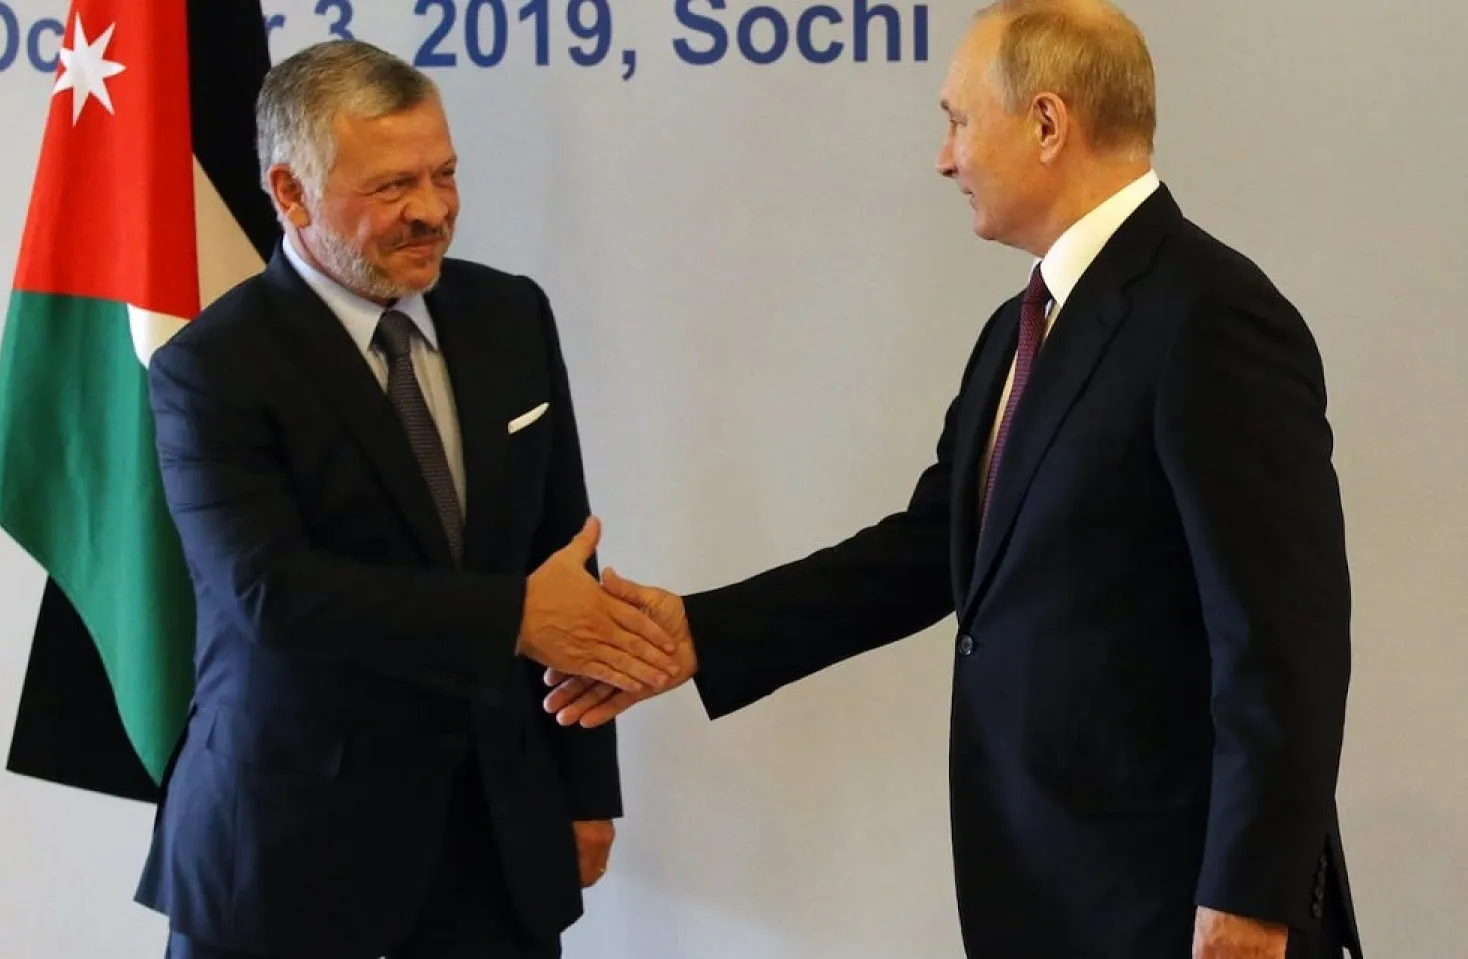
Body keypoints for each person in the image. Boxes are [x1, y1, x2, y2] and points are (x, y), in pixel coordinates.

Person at [544, 2, 1363, 957]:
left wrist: (1250, 899)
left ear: (1048, 124)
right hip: (1046, 886)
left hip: (1173, 902)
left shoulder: (1211, 317)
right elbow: (929, 550)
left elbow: (1284, 640)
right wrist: (699, 632)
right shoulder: (1017, 331)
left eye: (958, 120)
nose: (944, 157)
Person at [134, 39, 682, 959]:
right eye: (390, 188)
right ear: (291, 192)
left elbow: (565, 558)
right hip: (287, 847)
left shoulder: (512, 316)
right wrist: (511, 615)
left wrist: (586, 789)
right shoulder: (210, 367)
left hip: (493, 837)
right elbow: (269, 591)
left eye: (445, 174)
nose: (430, 211)